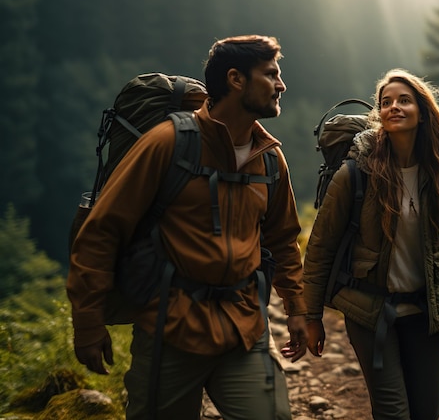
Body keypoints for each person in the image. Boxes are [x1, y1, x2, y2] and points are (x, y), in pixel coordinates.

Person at [67, 35, 308, 420]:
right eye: (271, 74)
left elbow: (282, 239)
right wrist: (88, 323)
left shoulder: (270, 159)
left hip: (244, 326)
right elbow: (101, 233)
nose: (280, 85)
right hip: (171, 329)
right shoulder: (167, 143)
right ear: (236, 79)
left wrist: (297, 308)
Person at [303, 68, 439, 420]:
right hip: (370, 312)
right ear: (379, 114)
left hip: (425, 313)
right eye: (386, 102)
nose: (394, 107)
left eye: (404, 100)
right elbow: (320, 247)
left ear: (423, 112)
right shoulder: (355, 174)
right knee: (393, 413)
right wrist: (311, 317)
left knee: (426, 412)